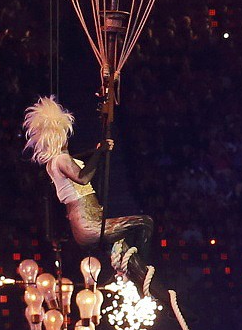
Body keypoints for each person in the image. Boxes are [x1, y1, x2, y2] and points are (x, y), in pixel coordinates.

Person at [23, 97, 154, 289]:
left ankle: (132, 268)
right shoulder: (61, 159)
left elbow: (78, 160)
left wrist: (97, 150)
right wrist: (99, 152)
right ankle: (142, 266)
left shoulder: (55, 162)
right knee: (145, 222)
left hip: (86, 222)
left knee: (127, 237)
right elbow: (83, 177)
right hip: (88, 224)